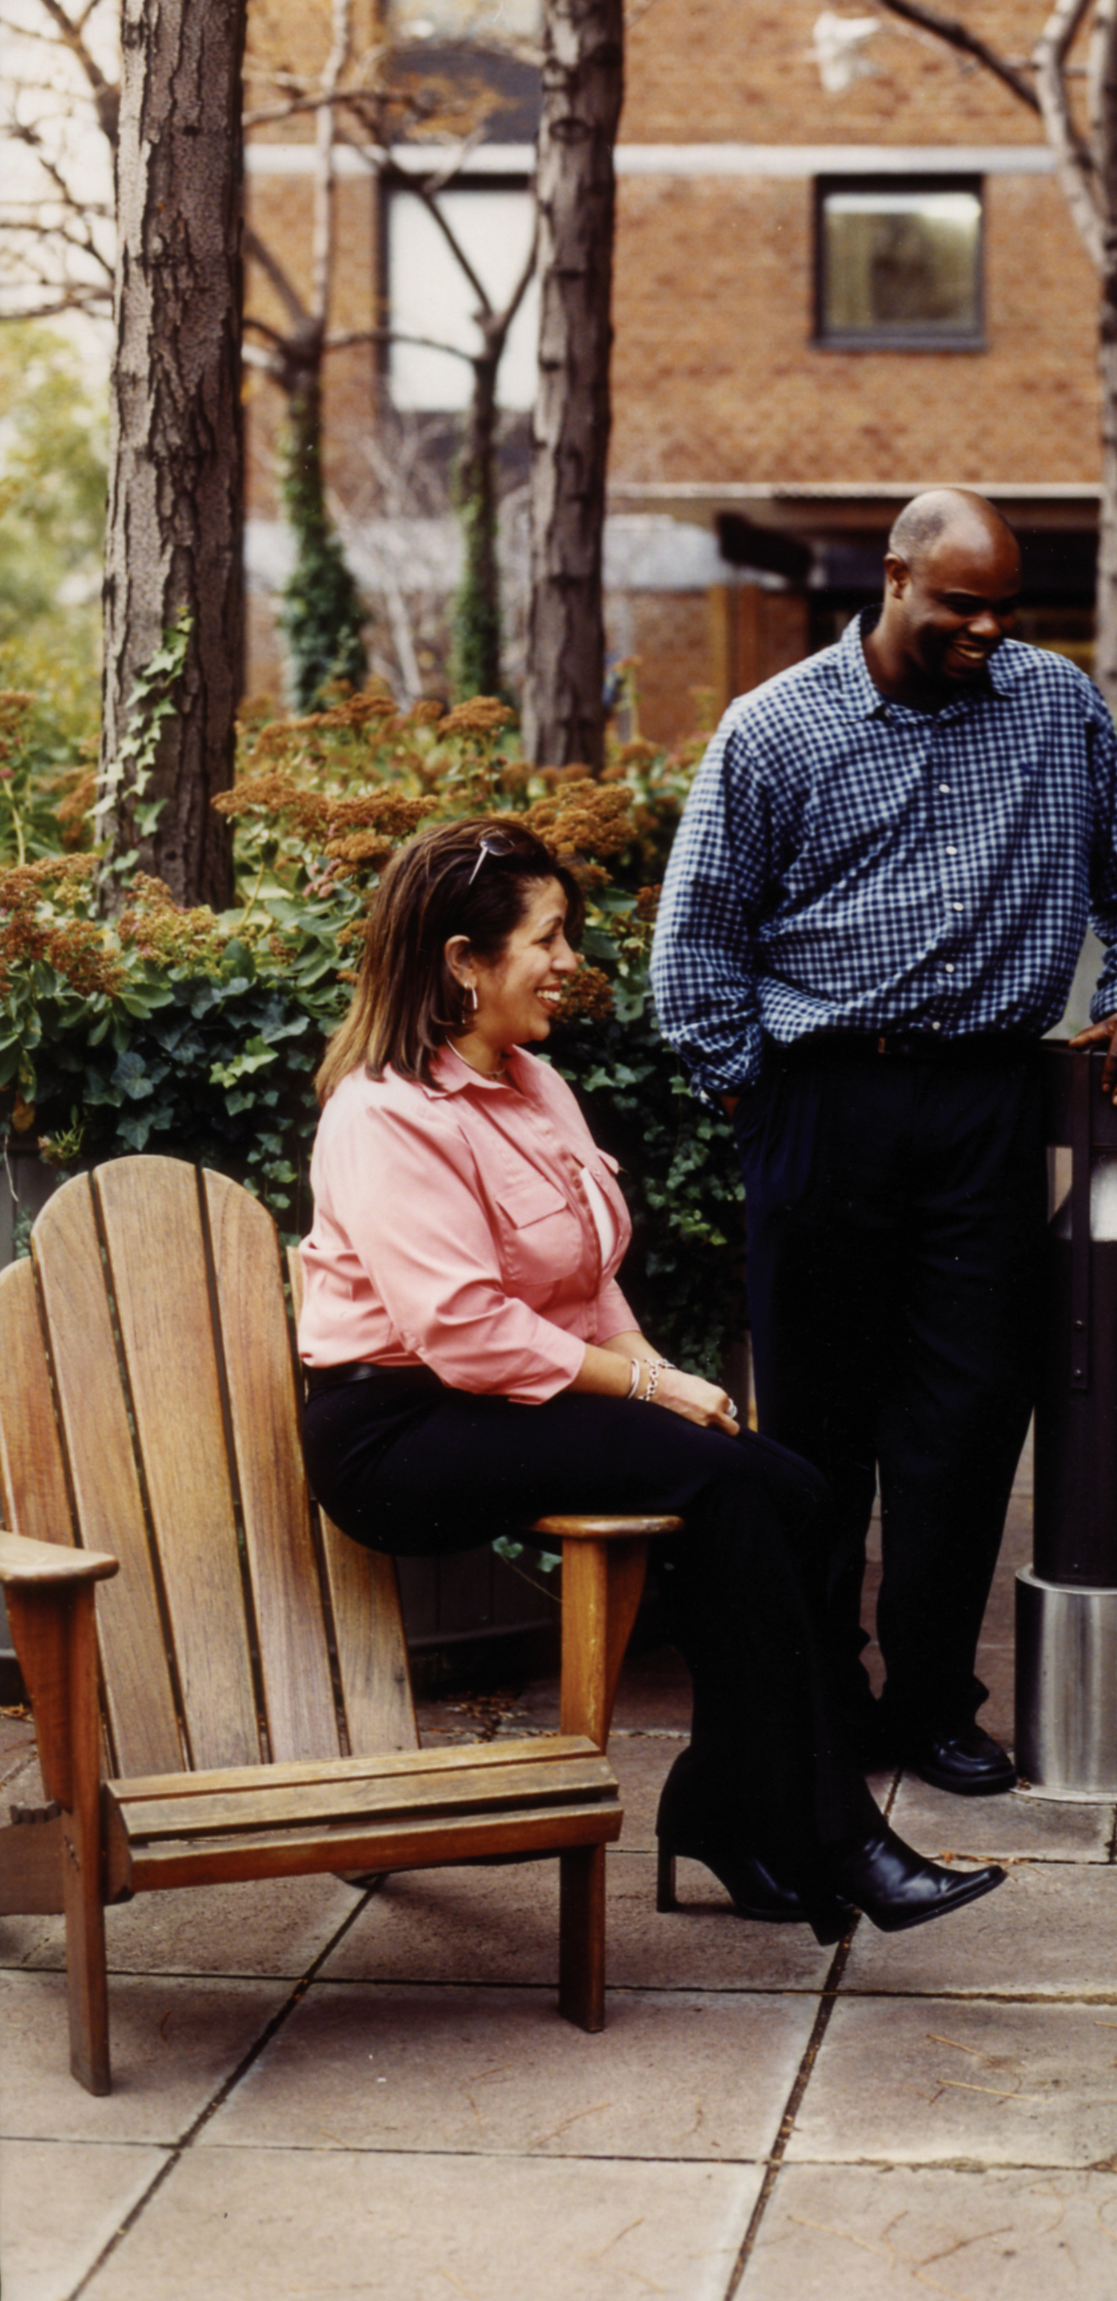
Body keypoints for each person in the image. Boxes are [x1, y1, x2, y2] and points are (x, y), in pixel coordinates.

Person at [295, 817, 1002, 1941]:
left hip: (506, 1400)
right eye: (548, 937)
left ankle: (723, 1804)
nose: (572, 960)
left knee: (789, 1482)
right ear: (464, 962)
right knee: (725, 1483)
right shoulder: (383, 1116)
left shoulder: (534, 1085)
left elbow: (584, 1288)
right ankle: (836, 1835)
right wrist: (653, 1394)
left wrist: (670, 1375)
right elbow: (464, 1329)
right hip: (397, 1433)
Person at [651, 489, 1117, 1795]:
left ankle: (932, 1702)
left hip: (987, 1109)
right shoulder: (771, 729)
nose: (987, 629)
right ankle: (822, 1696)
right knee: (817, 1429)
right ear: (892, 580)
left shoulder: (1057, 710)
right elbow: (694, 947)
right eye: (960, 603)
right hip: (821, 1103)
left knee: (964, 1417)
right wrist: (754, 1093)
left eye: (1006, 606)